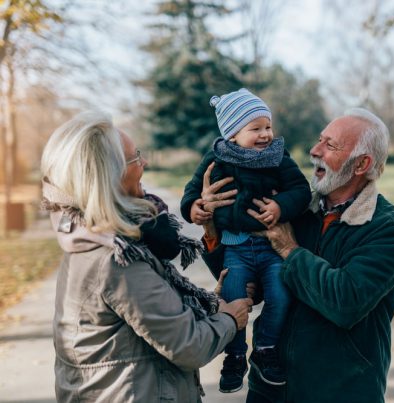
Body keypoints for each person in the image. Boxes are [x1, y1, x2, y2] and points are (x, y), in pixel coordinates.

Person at [198, 108, 394, 403]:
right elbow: (253, 280)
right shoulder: (295, 210)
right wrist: (212, 226)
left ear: (362, 163)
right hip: (269, 387)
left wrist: (289, 250)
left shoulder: (389, 228)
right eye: (319, 140)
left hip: (340, 391)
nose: (315, 151)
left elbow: (345, 302)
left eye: (330, 145)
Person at [40, 110, 253, 402]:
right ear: (108, 176)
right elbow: (189, 345)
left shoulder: (90, 237)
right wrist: (230, 319)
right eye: (135, 158)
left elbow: (152, 315)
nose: (145, 162)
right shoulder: (115, 259)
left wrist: (208, 303)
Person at [180, 88, 312, 393]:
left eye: (268, 126)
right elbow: (192, 192)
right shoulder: (217, 158)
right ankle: (235, 354)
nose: (265, 134)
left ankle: (265, 348)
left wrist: (281, 207)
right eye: (255, 129)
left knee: (280, 296)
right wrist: (195, 208)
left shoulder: (277, 157)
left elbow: (300, 190)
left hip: (270, 248)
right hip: (235, 249)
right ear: (232, 134)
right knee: (233, 299)